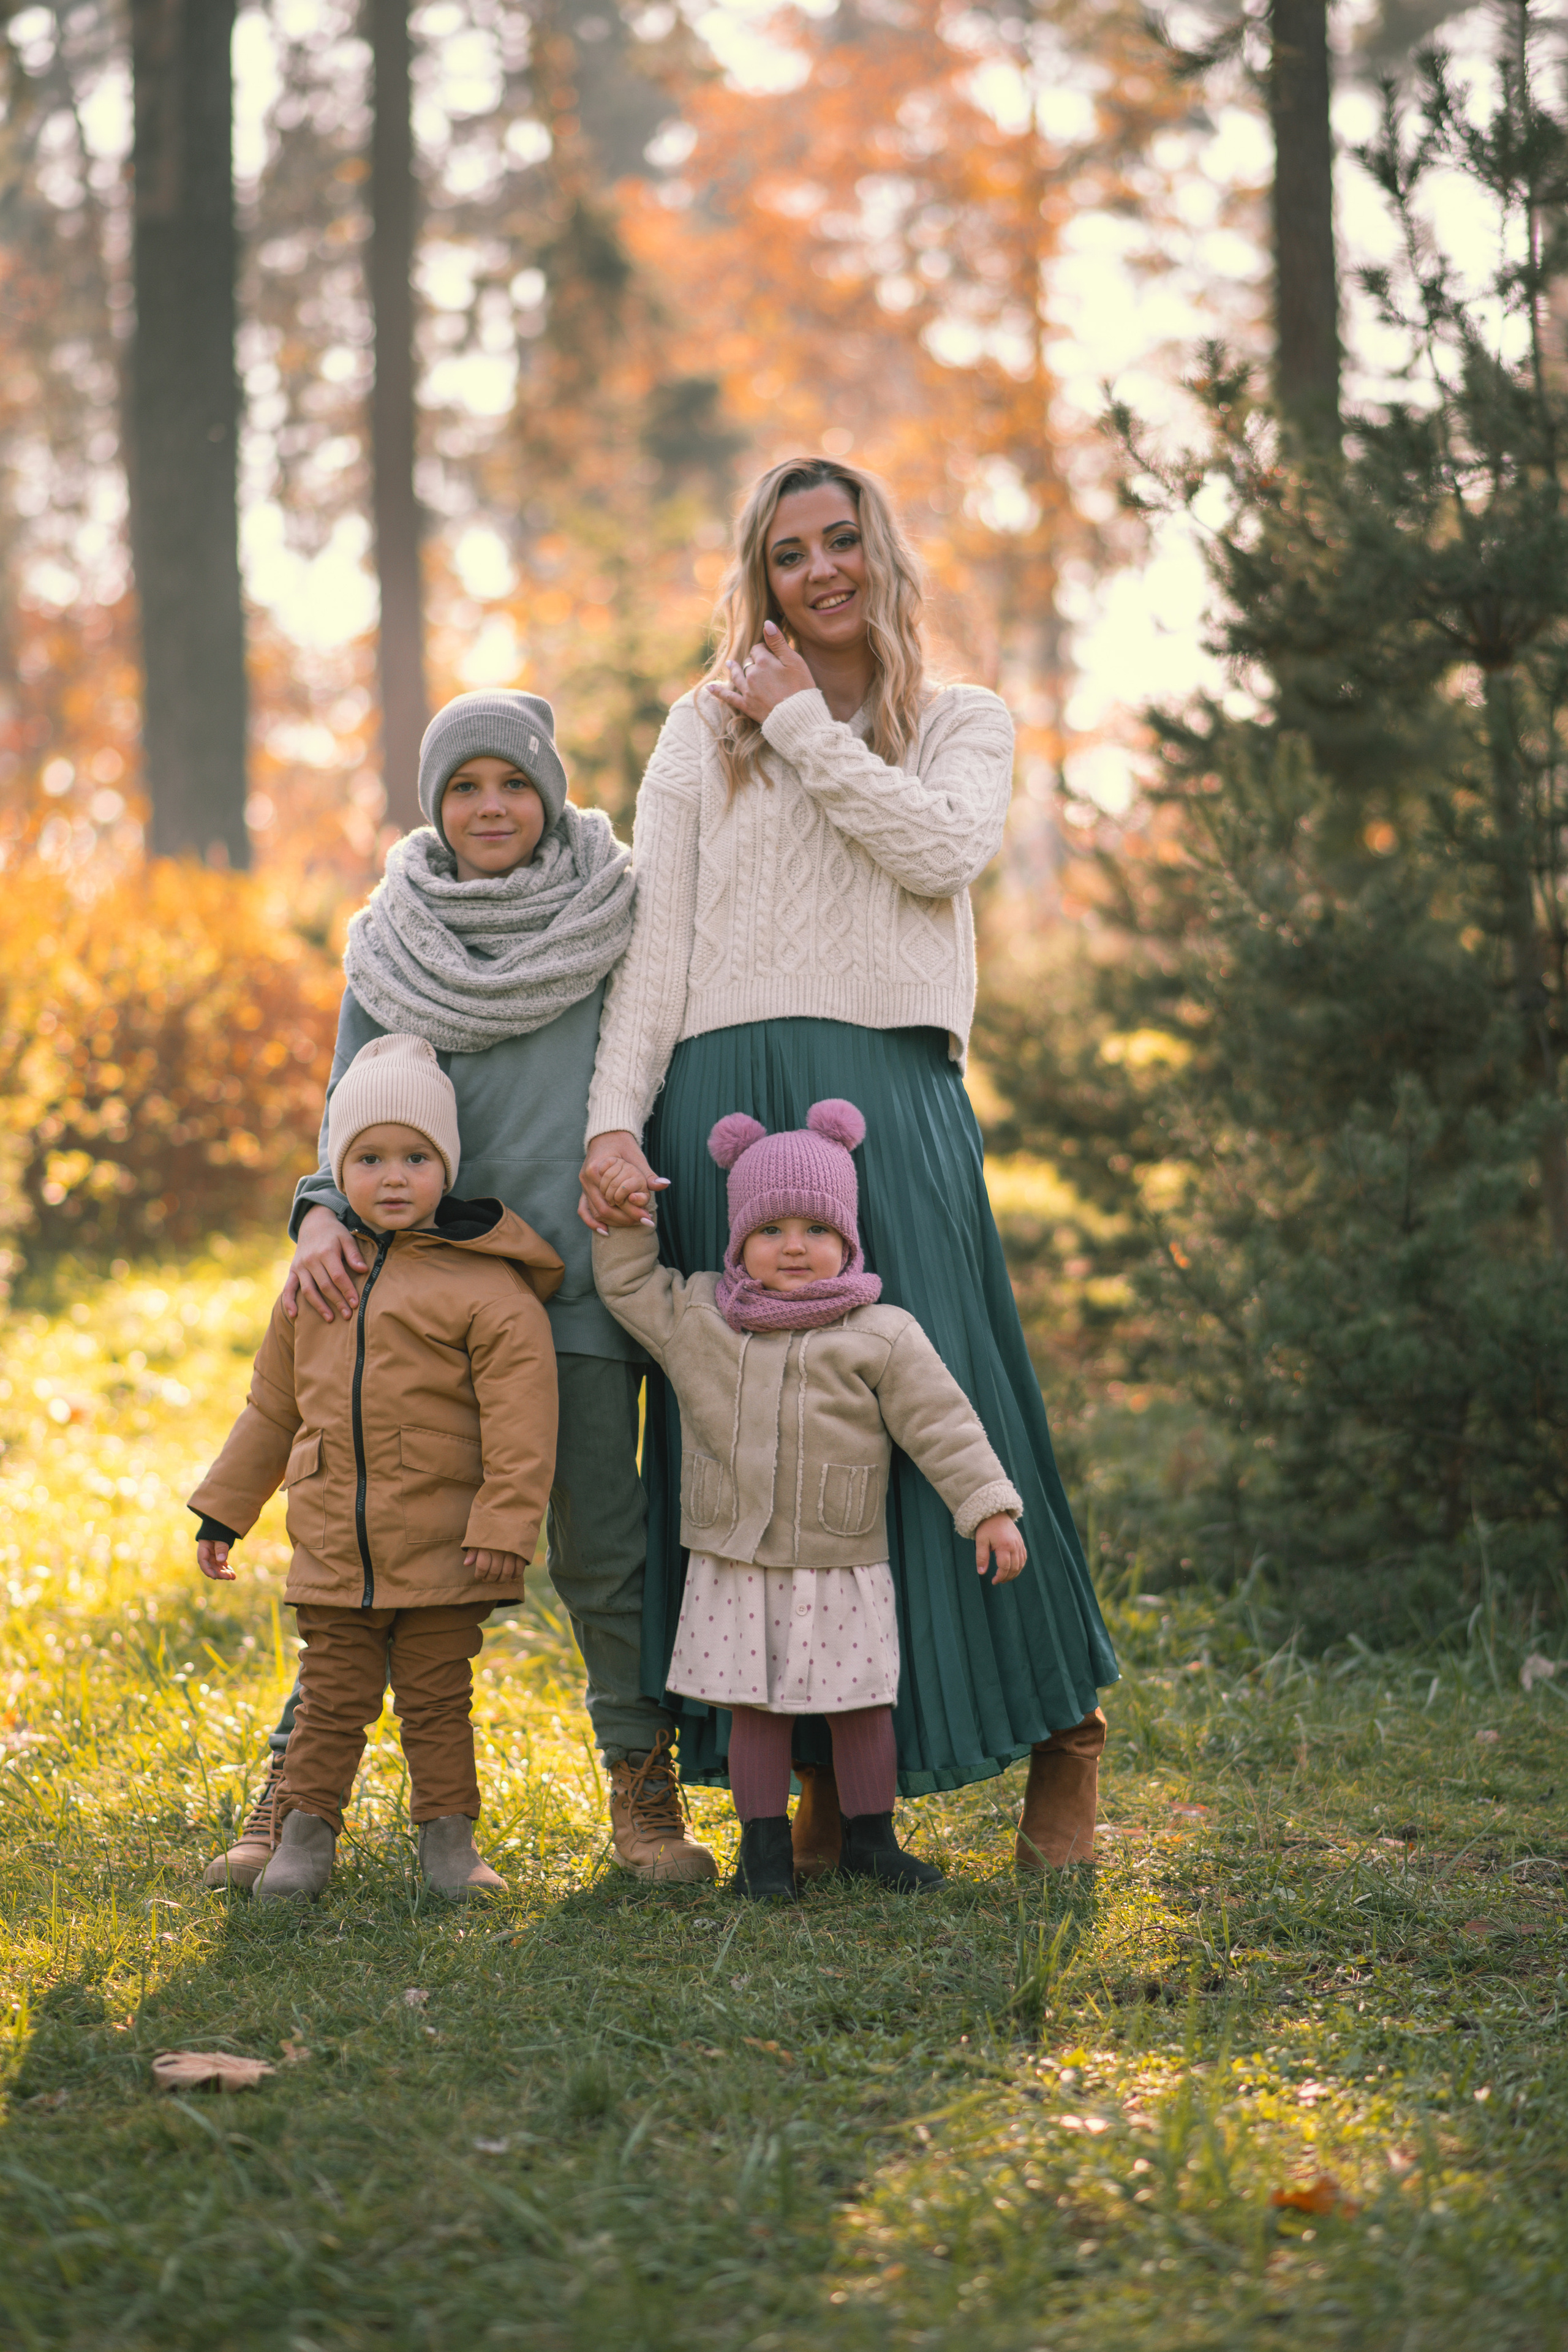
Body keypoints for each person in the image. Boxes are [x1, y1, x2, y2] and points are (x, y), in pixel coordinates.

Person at [579, 457, 1117, 1874]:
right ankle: (816, 1770)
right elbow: (655, 947)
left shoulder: (959, 720)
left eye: (839, 541)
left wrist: (804, 727)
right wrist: (612, 1123)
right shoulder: (698, 731)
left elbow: (938, 855)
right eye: (787, 552)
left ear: (879, 552)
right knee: (753, 1434)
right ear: (757, 578)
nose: (818, 570)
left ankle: (1061, 1732)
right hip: (715, 1107)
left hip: (887, 1090)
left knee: (950, 1397)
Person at [205, 688, 715, 1891]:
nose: (492, 807)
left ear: (550, 793)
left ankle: (642, 1788)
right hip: (415, 1290)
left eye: (514, 783)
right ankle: (292, 1795)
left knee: (601, 1543)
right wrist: (317, 1212)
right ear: (435, 806)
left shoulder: (616, 910)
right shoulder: (392, 936)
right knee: (366, 1543)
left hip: (576, 1275)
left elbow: (649, 1062)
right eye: (465, 787)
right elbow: (349, 1109)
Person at [594, 1100, 1028, 1899]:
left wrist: (989, 1507)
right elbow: (625, 1284)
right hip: (736, 1558)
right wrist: (624, 1217)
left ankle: (872, 1841)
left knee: (862, 1705)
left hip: (841, 1556)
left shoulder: (880, 1332)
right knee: (755, 1709)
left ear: (849, 1240)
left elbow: (942, 1423)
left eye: (817, 1229)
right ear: (738, 1240)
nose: (794, 1246)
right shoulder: (702, 1316)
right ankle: (764, 1855)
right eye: (771, 1230)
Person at [189, 1035, 560, 1901]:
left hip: (445, 1547)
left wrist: (506, 1526)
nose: (393, 1177)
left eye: (416, 1158)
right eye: (369, 1158)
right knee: (329, 1702)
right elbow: (271, 1408)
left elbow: (523, 1421)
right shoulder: (318, 1281)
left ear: (446, 1167)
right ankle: (303, 1839)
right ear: (337, 1171)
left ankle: (450, 1846)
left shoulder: (489, 1288)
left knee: (437, 1703)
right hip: (333, 1543)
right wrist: (224, 1511)